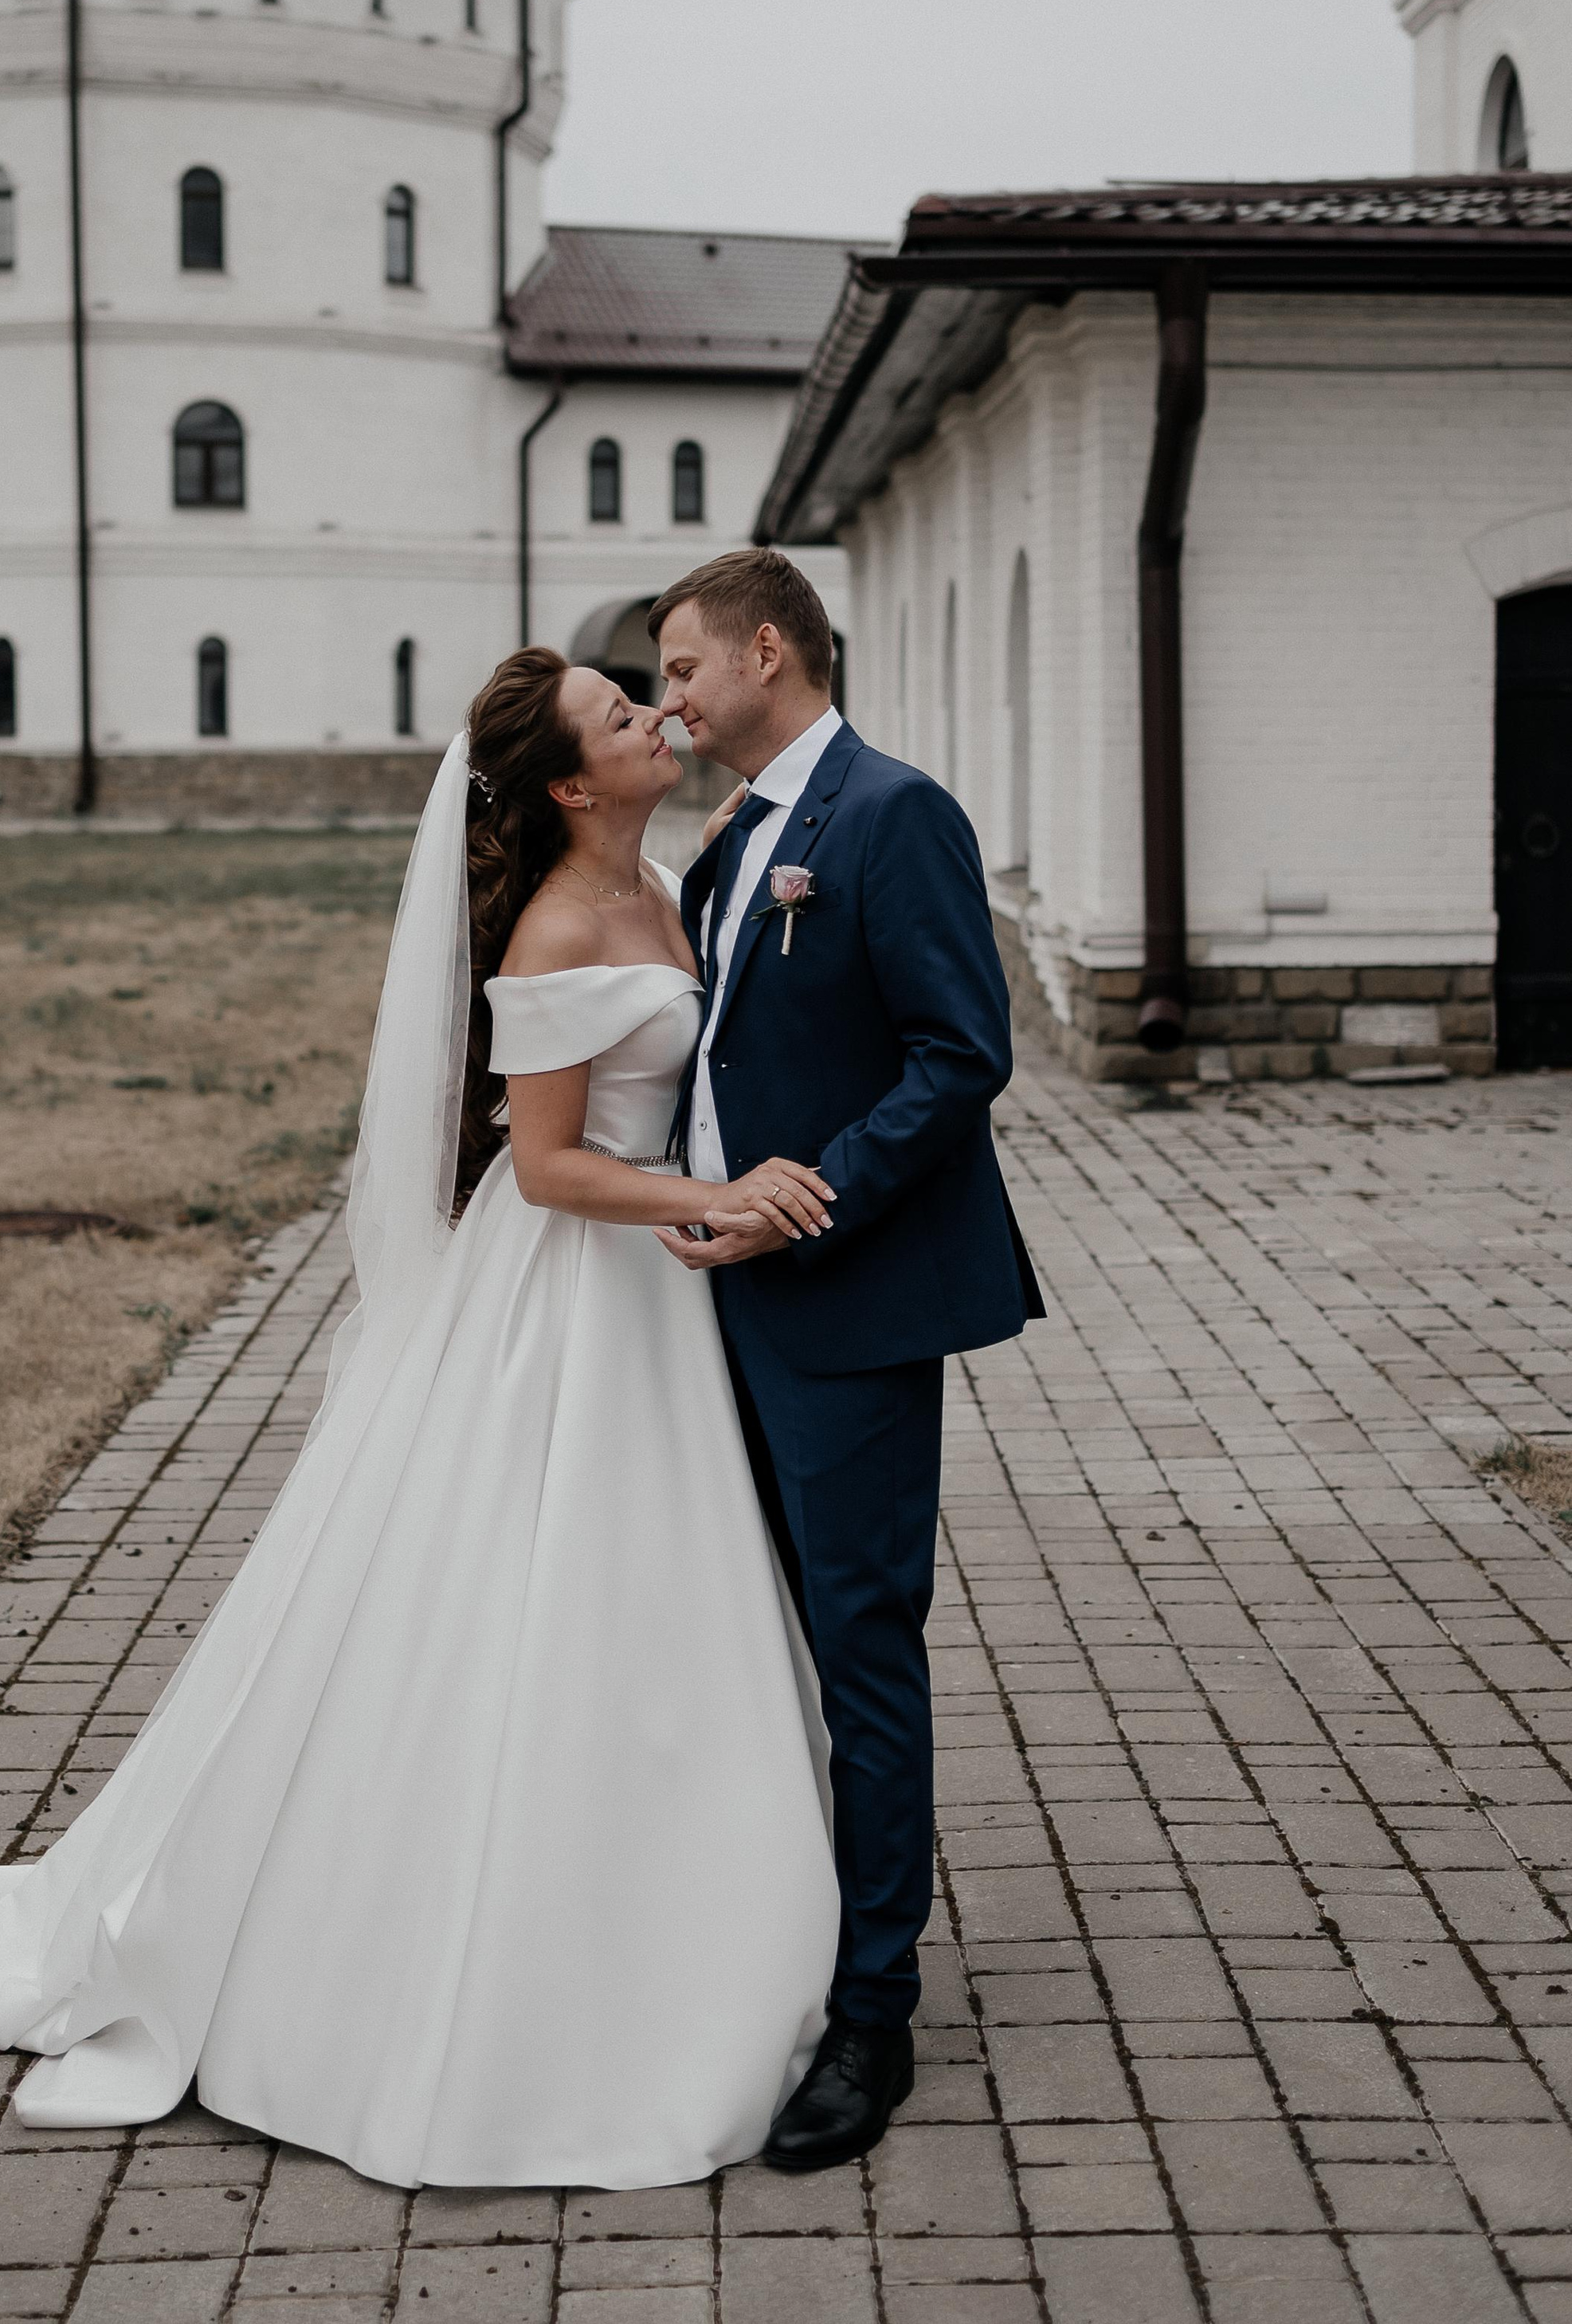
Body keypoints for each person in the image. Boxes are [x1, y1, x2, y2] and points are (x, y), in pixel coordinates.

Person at [0, 649, 845, 2191]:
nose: (656, 718)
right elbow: (544, 1166)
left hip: (656, 1303)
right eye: (623, 715)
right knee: (528, 1594)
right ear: (564, 783)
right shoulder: (555, 923)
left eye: (646, 697)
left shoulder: (674, 868)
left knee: (656, 1600)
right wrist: (714, 1196)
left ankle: (697, 1899)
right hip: (576, 1290)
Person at [649, 548, 1044, 2173]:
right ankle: (757, 1938)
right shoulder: (729, 842)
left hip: (842, 1301)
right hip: (701, 1307)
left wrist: (800, 1203)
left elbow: (964, 1052)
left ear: (766, 648)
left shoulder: (890, 814)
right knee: (743, 1636)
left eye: (679, 665)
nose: (667, 696)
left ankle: (871, 2006)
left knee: (858, 1645)